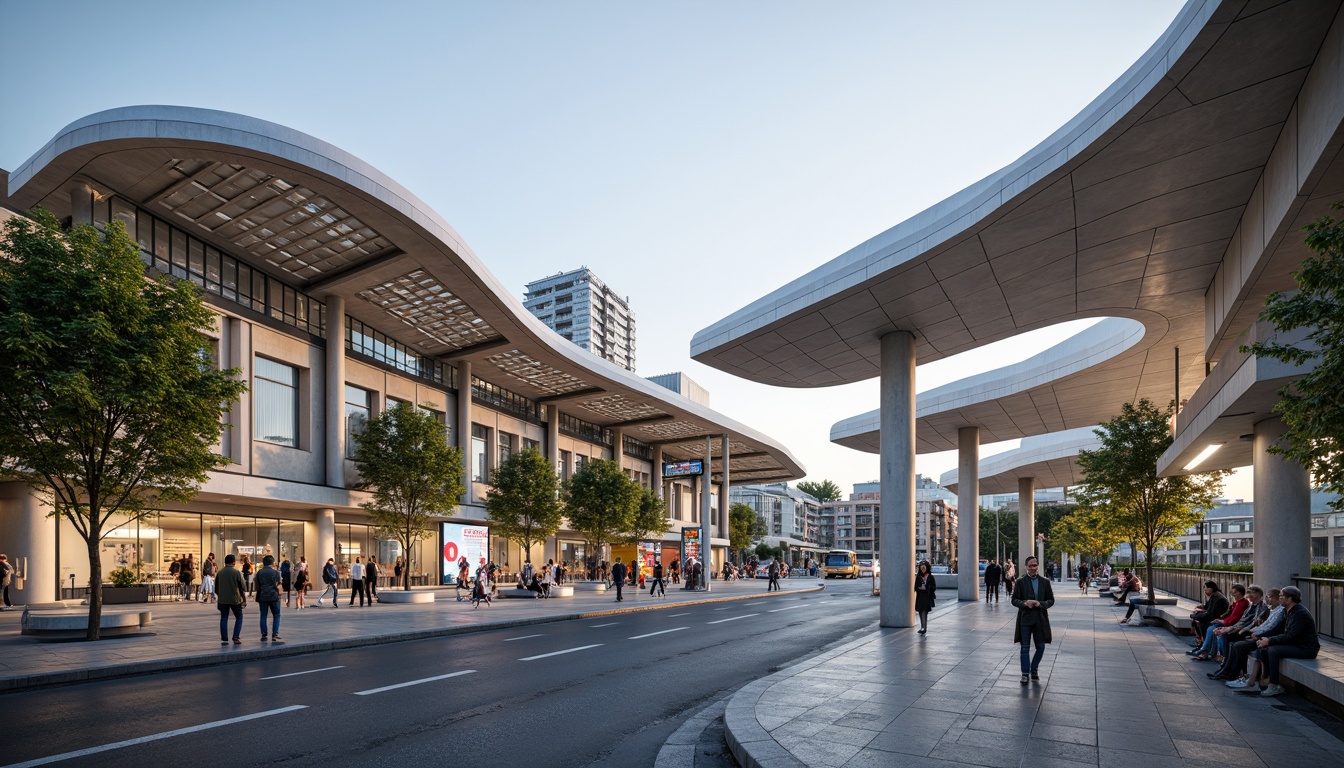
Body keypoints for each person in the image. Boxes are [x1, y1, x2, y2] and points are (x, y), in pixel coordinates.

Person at [1253, 585, 1320, 697]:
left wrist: (1270, 640)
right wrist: (1262, 637)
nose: (1279, 599)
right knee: (1264, 649)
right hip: (1295, 644)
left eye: (1281, 596)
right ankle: (1265, 679)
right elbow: (1277, 629)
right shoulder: (1286, 611)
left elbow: (1291, 635)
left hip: (1307, 648)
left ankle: (1274, 685)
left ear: (1290, 598)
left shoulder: (1300, 613)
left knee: (1273, 650)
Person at [1011, 555, 1054, 684]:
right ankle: (1025, 673)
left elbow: (1051, 600)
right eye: (1030, 566)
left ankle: (1034, 669)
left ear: (1037, 566)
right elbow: (1014, 600)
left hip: (1040, 619)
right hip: (1025, 619)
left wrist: (1040, 604)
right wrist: (1024, 603)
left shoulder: (1045, 582)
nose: (1032, 568)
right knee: (1024, 647)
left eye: (1034, 565)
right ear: (1026, 567)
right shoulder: (1020, 582)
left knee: (1040, 647)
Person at [1191, 583, 1248, 661]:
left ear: (1239, 592)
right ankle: (1206, 650)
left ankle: (1206, 650)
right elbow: (1228, 614)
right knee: (1204, 625)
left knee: (1211, 628)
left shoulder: (1241, 603)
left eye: (1234, 592)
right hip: (1226, 621)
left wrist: (1222, 621)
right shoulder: (1236, 602)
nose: (1232, 594)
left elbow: (1235, 618)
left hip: (1232, 625)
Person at [214, 554, 246, 645]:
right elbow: (243, 586)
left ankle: (224, 638)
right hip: (235, 599)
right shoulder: (237, 573)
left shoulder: (220, 573)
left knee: (224, 617)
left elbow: (216, 588)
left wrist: (221, 595)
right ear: (233, 562)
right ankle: (236, 637)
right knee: (239, 617)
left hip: (222, 600)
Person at [255, 555, 283, 642]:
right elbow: (279, 584)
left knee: (263, 615)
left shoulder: (259, 572)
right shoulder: (275, 573)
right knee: (276, 615)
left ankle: (264, 633)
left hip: (262, 596)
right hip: (274, 596)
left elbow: (257, 585)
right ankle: (275, 634)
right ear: (272, 562)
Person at [914, 561, 937, 634]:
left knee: (924, 611)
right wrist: (920, 588)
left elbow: (934, 587)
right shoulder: (918, 577)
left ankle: (924, 627)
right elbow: (915, 587)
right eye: (921, 567)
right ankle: (923, 626)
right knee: (921, 611)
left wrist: (927, 588)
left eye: (924, 567)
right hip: (920, 596)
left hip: (927, 597)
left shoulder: (930, 577)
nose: (923, 568)